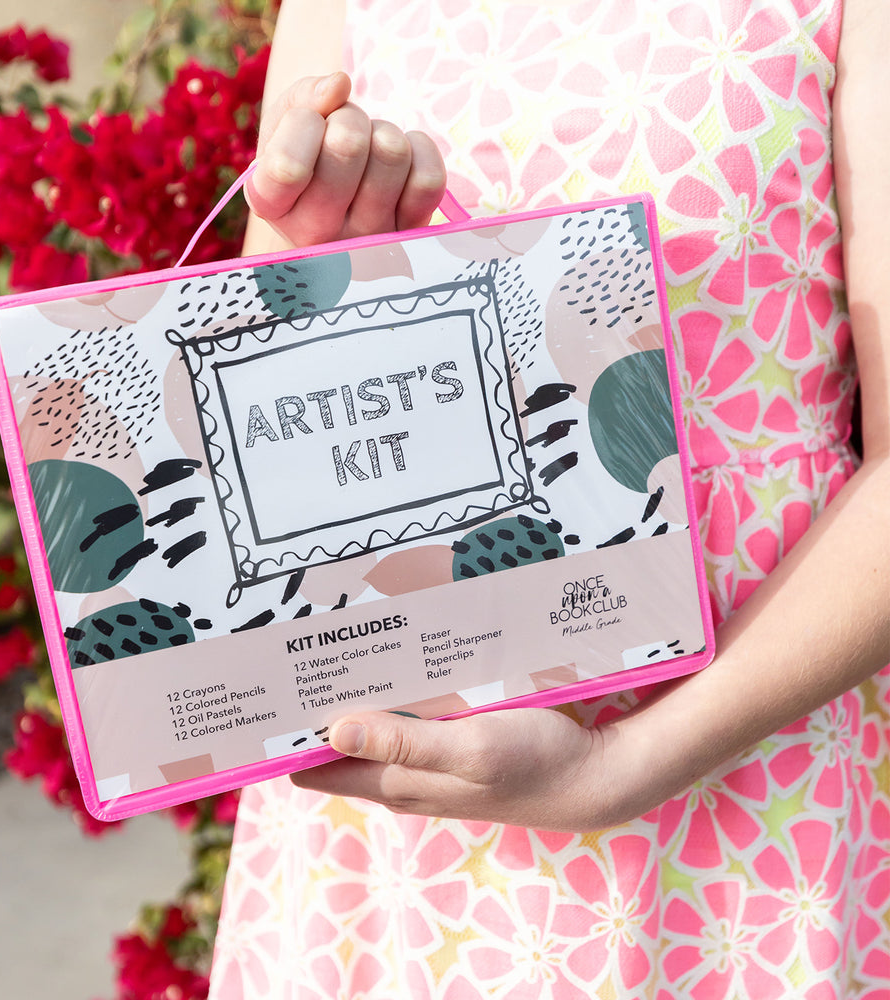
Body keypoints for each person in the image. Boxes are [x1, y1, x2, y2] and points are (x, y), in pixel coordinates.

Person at [210, 1, 889, 996]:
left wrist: (623, 764)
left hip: (748, 783)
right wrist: (318, 267)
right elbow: (275, 422)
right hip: (406, 826)